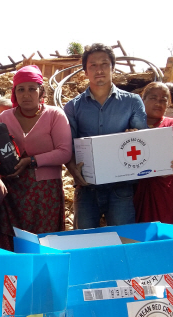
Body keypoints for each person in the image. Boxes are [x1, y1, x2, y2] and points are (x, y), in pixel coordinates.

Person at [63, 43, 148, 229]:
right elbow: (68, 145)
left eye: (104, 64)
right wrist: (73, 171)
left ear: (113, 67)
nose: (99, 70)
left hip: (122, 187)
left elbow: (143, 139)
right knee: (84, 243)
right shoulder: (72, 107)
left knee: (123, 241)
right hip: (87, 188)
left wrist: (136, 135)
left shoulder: (132, 102)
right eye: (93, 65)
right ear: (85, 71)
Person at [0, 65, 72, 250]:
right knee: (14, 242)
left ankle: (43, 278)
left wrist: (32, 161)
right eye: (21, 89)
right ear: (14, 92)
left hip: (45, 193)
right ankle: (14, 276)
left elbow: (65, 152)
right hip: (12, 192)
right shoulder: (5, 117)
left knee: (43, 242)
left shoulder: (55, 115)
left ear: (41, 91)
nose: (26, 94)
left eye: (32, 89)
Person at [133, 82, 173, 224]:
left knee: (159, 229)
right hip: (135, 187)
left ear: (168, 104)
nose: (158, 103)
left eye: (163, 100)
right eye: (153, 98)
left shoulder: (172, 124)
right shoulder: (131, 124)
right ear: (143, 100)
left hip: (162, 188)